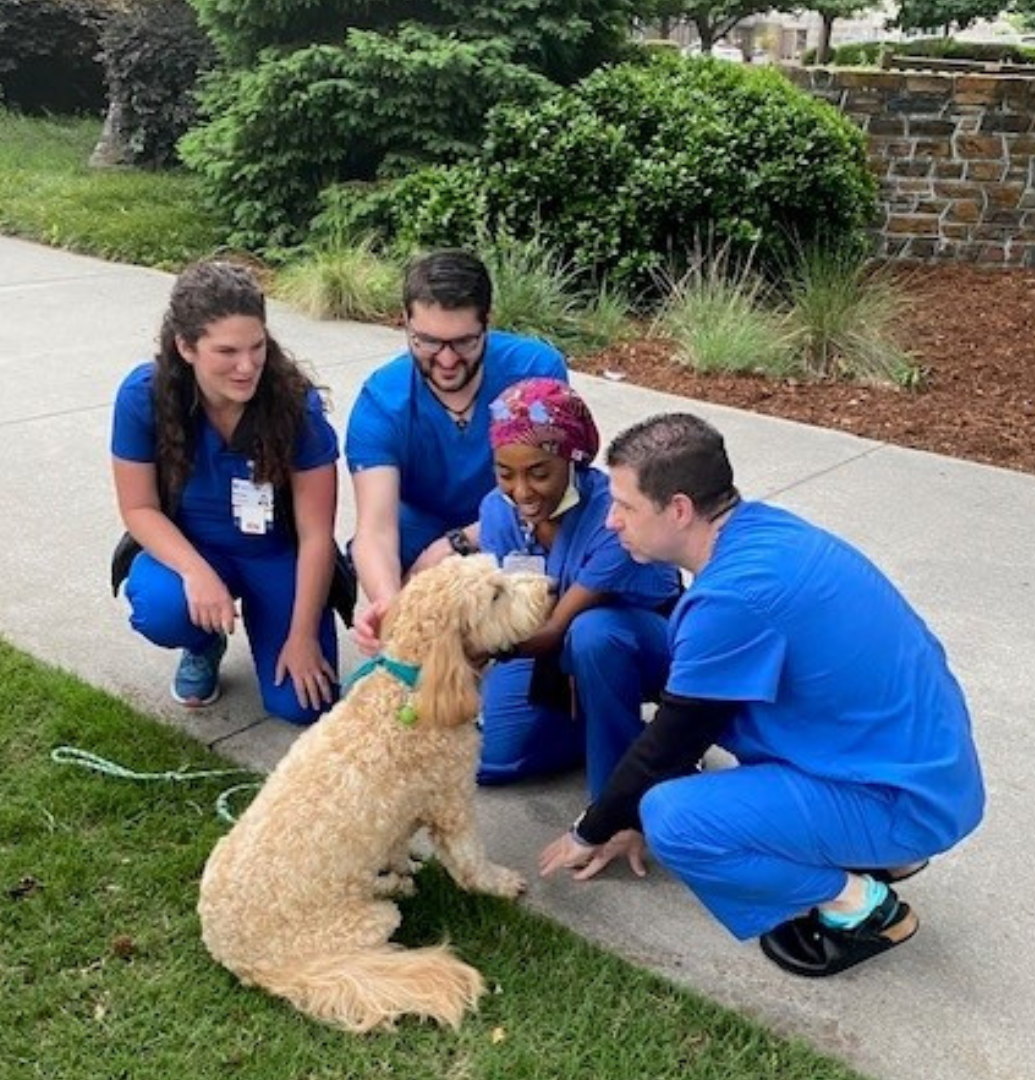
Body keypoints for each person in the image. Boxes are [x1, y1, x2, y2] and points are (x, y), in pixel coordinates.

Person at [539, 413, 985, 978]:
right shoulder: (760, 531)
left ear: (678, 509)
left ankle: (861, 907)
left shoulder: (733, 598)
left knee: (673, 817)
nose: (611, 520)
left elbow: (672, 743)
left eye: (625, 506)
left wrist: (593, 827)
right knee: (646, 663)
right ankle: (876, 852)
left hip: (908, 800)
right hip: (923, 765)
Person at [111, 260, 340, 723]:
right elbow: (138, 507)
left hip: (276, 554)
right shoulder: (143, 396)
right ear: (185, 346)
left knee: (304, 706)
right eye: (227, 351)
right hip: (194, 548)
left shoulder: (296, 404)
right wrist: (196, 572)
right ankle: (203, 643)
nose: (247, 365)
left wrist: (302, 637)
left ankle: (279, 626)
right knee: (161, 607)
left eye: (257, 346)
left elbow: (317, 533)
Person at [345, 249, 567, 653]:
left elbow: (552, 489)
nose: (446, 360)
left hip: (515, 522)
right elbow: (374, 530)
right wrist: (390, 606)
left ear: (487, 321)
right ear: (406, 321)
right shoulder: (381, 400)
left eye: (463, 341)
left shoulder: (538, 371)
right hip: (420, 527)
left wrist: (456, 544)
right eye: (427, 341)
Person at [477, 378, 681, 795]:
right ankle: (627, 732)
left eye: (538, 473)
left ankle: (617, 794)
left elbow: (553, 629)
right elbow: (512, 609)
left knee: (592, 635)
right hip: (546, 646)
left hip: (638, 644)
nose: (521, 492)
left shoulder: (615, 515)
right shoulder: (496, 511)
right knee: (492, 758)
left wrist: (473, 646)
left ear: (573, 459)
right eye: (505, 473)